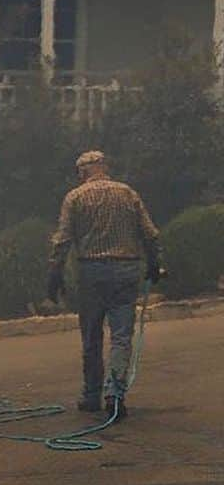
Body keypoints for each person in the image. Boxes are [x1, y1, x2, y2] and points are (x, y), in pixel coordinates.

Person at [46, 150, 163, 421]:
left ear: (83, 172)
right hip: (126, 270)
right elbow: (150, 233)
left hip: (91, 273)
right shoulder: (128, 194)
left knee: (91, 336)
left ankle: (91, 395)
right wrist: (154, 264)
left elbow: (62, 240)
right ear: (104, 168)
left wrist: (55, 273)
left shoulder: (74, 197)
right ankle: (115, 394)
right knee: (122, 336)